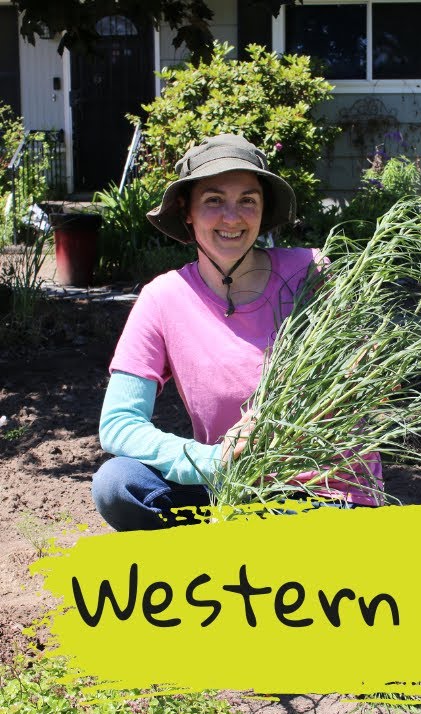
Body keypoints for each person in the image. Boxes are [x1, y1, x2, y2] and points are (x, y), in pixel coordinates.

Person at [92, 133, 382, 531]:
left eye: (248, 200)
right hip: (232, 487)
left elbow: (362, 373)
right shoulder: (163, 298)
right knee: (118, 483)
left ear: (263, 211)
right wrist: (209, 461)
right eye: (213, 200)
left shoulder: (310, 272)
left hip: (325, 491)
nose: (233, 217)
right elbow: (119, 424)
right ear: (187, 211)